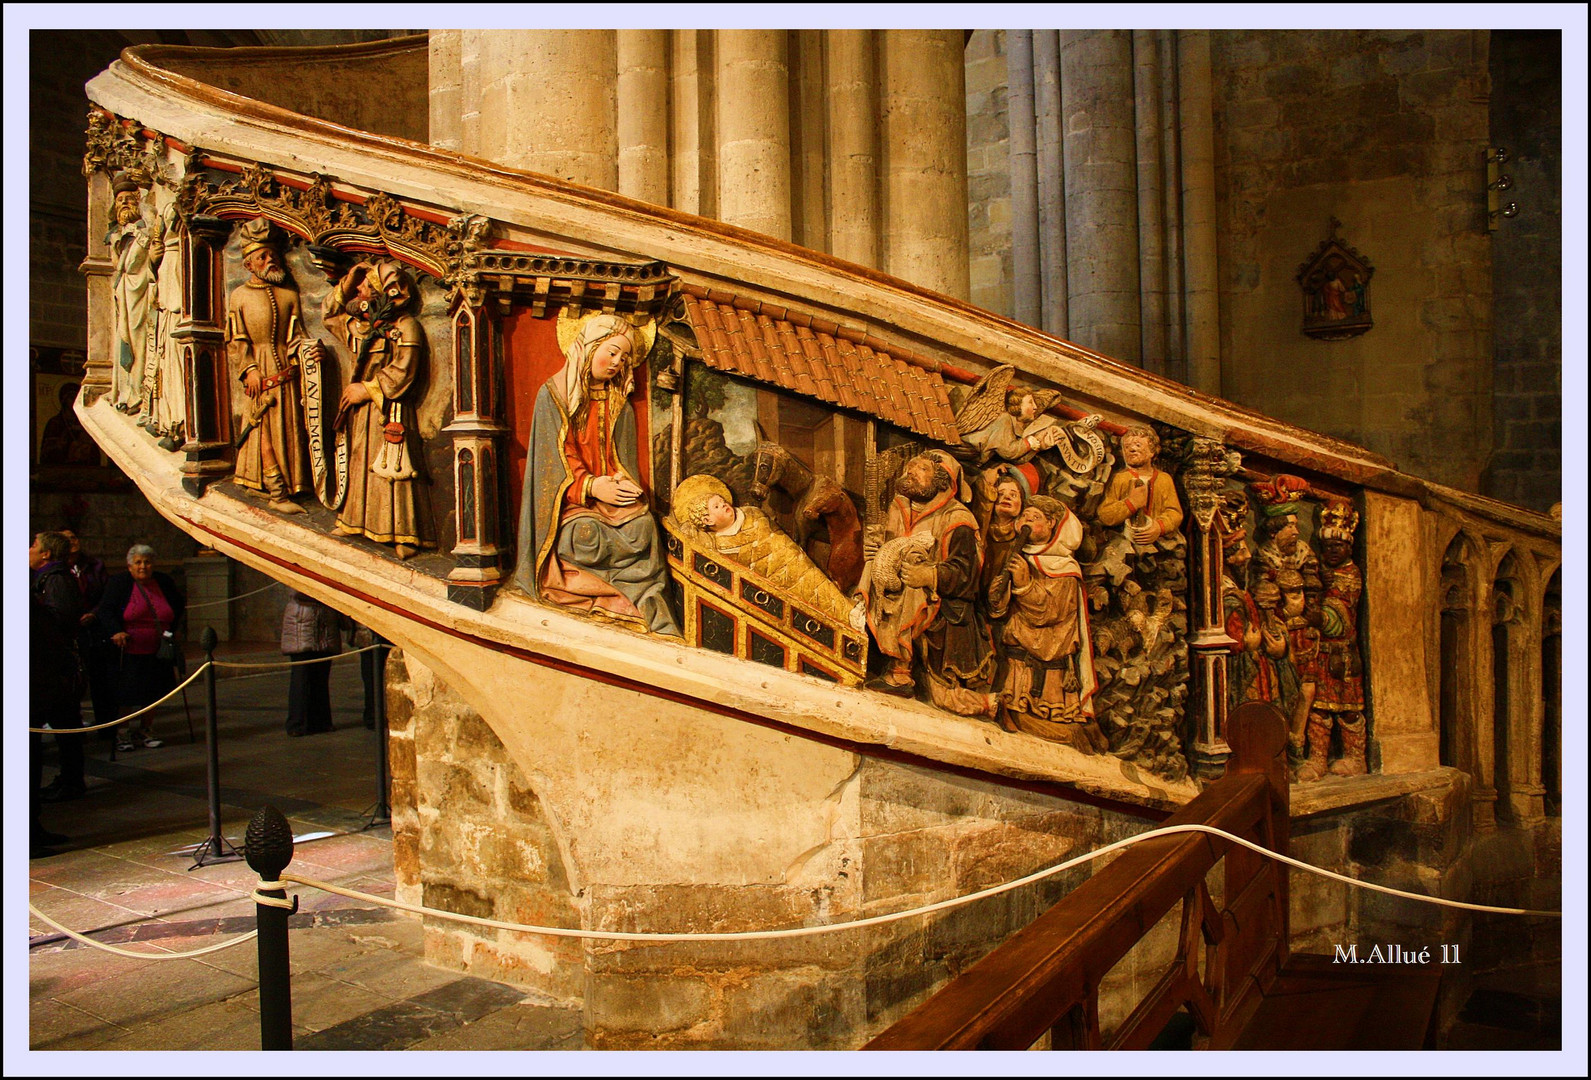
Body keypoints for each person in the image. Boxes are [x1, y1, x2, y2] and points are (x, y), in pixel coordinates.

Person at [515, 311, 679, 635]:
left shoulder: (621, 404)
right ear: (589, 348)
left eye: (625, 357)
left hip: (610, 500)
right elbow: (552, 462)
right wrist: (591, 486)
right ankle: (603, 596)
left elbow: (623, 461)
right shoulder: (553, 397)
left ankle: (644, 604)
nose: (618, 362)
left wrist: (621, 482)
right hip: (571, 504)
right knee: (584, 538)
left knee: (644, 527)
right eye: (612, 351)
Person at [861, 450, 996, 717]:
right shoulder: (899, 507)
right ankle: (858, 631)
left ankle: (990, 703)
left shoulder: (958, 519)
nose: (910, 472)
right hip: (895, 592)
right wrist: (875, 550)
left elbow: (967, 574)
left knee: (947, 699)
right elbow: (890, 548)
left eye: (921, 469)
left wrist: (930, 575)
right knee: (870, 568)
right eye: (910, 467)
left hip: (940, 606)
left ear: (942, 480)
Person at [321, 259, 435, 559]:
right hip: (361, 414)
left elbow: (405, 370)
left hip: (390, 408)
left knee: (395, 468)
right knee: (361, 462)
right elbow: (330, 314)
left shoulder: (405, 326)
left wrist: (367, 389)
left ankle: (405, 534)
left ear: (384, 293)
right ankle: (355, 521)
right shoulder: (362, 327)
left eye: (366, 285)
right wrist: (350, 276)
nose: (359, 289)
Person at [987, 496, 1107, 752]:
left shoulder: (1064, 568)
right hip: (1019, 656)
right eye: (1024, 517)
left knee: (1043, 718)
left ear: (1053, 524)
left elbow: (1050, 612)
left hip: (1048, 656)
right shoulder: (1019, 556)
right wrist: (999, 595)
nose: (1026, 521)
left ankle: (1077, 734)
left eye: (1035, 518)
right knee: (1016, 711)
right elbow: (1001, 608)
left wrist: (1024, 585)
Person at [670, 473, 864, 629]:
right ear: (708, 521)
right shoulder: (721, 547)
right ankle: (844, 618)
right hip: (774, 588)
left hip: (794, 562)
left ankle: (848, 611)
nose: (724, 505)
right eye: (717, 507)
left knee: (815, 582)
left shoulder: (753, 515)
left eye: (722, 501)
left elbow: (779, 541)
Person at [226, 216, 319, 514]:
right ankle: (274, 490)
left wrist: (311, 353)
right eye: (262, 257)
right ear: (248, 265)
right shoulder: (239, 297)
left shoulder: (290, 294)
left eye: (272, 255)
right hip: (260, 376)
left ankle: (292, 487)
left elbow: (299, 335)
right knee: (262, 432)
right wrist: (249, 369)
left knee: (289, 431)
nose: (270, 260)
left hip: (288, 378)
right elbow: (236, 340)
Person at [96, 544, 186, 751]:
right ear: (129, 566)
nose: (143, 566)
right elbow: (106, 610)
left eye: (147, 562)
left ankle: (146, 729)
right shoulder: (119, 583)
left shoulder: (163, 581)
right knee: (127, 694)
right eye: (138, 562)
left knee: (153, 693)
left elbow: (177, 605)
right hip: (129, 649)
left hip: (159, 649)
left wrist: (173, 630)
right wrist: (116, 631)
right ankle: (122, 733)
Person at [30, 532, 87, 802]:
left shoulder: (55, 580)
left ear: (46, 554)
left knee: (66, 726)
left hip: (56, 668)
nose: (27, 550)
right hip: (51, 665)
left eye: (33, 545)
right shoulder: (49, 577)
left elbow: (59, 620)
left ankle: (72, 781)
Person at [107, 171, 156, 416]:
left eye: (129, 198)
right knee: (124, 342)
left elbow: (146, 260)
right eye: (120, 200)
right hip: (123, 296)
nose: (125, 203)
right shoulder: (117, 235)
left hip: (141, 293)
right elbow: (119, 266)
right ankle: (124, 392)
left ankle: (138, 394)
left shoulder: (142, 231)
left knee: (139, 342)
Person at [1095, 424, 1183, 547]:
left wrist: (1159, 527)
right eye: (1127, 447)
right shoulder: (1120, 478)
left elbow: (1175, 513)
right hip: (1125, 542)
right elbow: (1104, 514)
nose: (1131, 449)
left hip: (1159, 542)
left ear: (1152, 451)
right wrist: (1130, 503)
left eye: (1138, 445)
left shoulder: (1164, 479)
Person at [281, 592, 345, 737]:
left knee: (321, 677)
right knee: (301, 679)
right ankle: (297, 723)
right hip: (302, 625)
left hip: (325, 624)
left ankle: (321, 722)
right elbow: (298, 591)